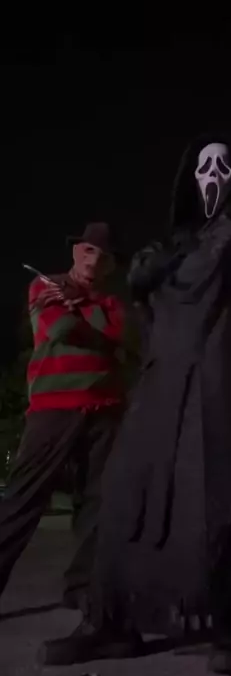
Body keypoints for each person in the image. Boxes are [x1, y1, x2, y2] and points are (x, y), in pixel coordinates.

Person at [41, 134, 231, 673]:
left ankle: (227, 620)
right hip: (162, 379)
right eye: (203, 166)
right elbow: (145, 297)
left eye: (223, 166)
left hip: (219, 382)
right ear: (189, 178)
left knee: (218, 496)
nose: (212, 175)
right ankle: (111, 620)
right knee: (127, 492)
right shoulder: (174, 244)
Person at [0, 223, 125, 616]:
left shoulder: (112, 301)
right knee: (22, 499)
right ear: (75, 252)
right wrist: (95, 327)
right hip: (53, 409)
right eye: (89, 250)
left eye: (104, 256)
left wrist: (83, 310)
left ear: (111, 265)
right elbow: (60, 328)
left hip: (105, 410)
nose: (94, 260)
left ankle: (82, 588)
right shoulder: (45, 285)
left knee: (96, 505)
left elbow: (123, 335)